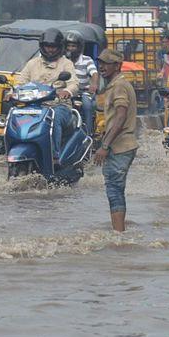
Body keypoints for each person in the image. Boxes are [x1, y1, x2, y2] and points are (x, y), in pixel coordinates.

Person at [17, 28, 80, 163]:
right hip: (34, 106)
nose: (50, 50)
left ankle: (54, 155)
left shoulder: (66, 64)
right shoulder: (32, 63)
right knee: (15, 114)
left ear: (59, 47)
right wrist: (12, 93)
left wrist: (67, 92)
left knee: (53, 117)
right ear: (42, 46)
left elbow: (74, 83)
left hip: (58, 106)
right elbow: (20, 82)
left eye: (53, 47)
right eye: (47, 46)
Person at [93, 49, 137, 233]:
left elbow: (120, 117)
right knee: (115, 190)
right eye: (100, 63)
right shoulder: (116, 84)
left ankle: (119, 234)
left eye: (107, 63)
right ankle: (119, 232)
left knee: (114, 190)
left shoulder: (119, 86)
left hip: (120, 146)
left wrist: (104, 145)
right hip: (122, 145)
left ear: (117, 66)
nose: (102, 66)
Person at [65, 30, 98, 133]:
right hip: (66, 91)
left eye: (73, 46)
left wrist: (94, 84)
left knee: (87, 105)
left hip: (83, 92)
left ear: (79, 47)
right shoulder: (63, 60)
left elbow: (94, 73)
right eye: (68, 46)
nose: (70, 49)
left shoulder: (86, 60)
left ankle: (88, 133)